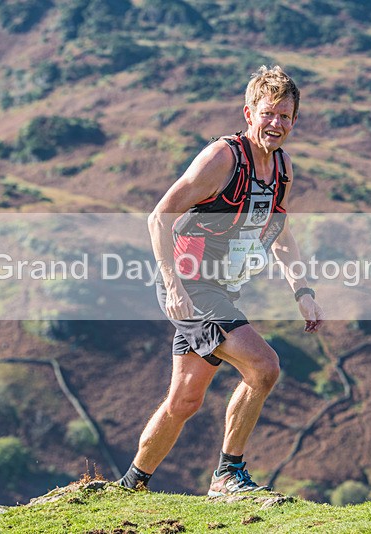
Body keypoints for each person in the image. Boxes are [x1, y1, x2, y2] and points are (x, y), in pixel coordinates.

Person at [118, 65, 324, 496]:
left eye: (286, 116)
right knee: (264, 367)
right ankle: (227, 475)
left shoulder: (283, 169)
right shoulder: (223, 158)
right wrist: (172, 285)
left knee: (184, 401)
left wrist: (302, 291)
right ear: (249, 113)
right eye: (269, 113)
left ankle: (129, 486)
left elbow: (281, 230)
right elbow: (159, 217)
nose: (277, 124)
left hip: (223, 289)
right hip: (192, 287)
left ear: (295, 120)